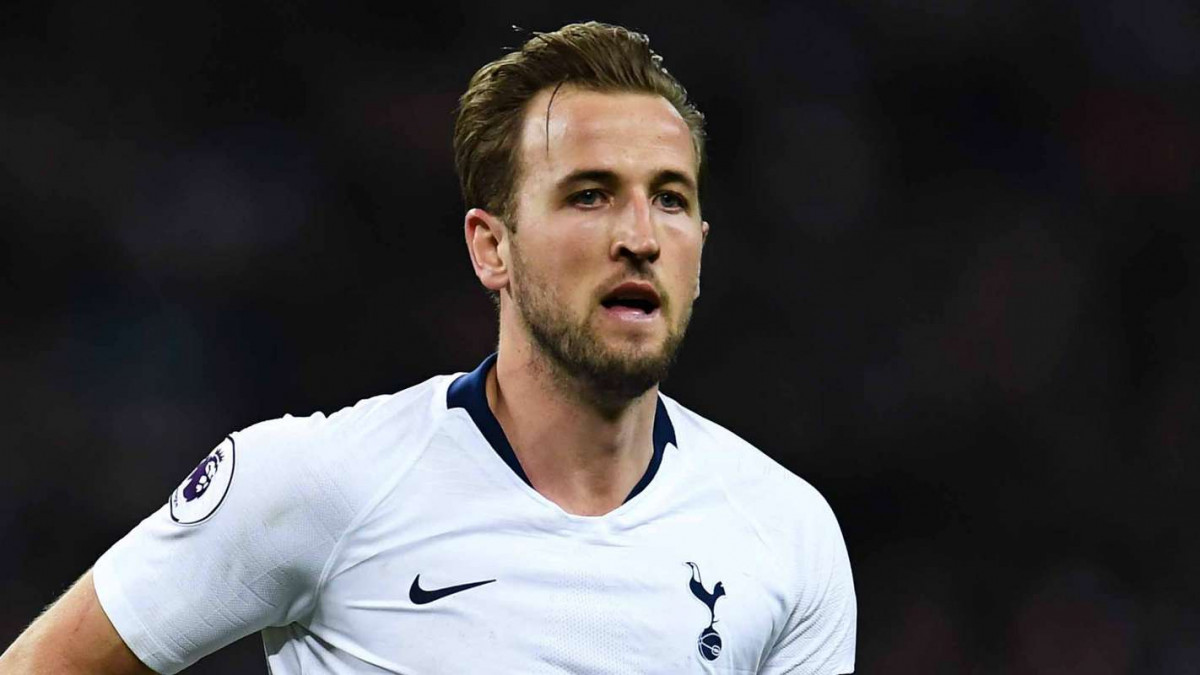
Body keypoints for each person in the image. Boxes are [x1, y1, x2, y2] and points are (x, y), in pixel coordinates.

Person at [0, 22, 856, 674]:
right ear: (493, 248)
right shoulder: (317, 483)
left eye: (669, 198)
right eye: (590, 195)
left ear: (700, 245)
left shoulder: (786, 534)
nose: (639, 235)